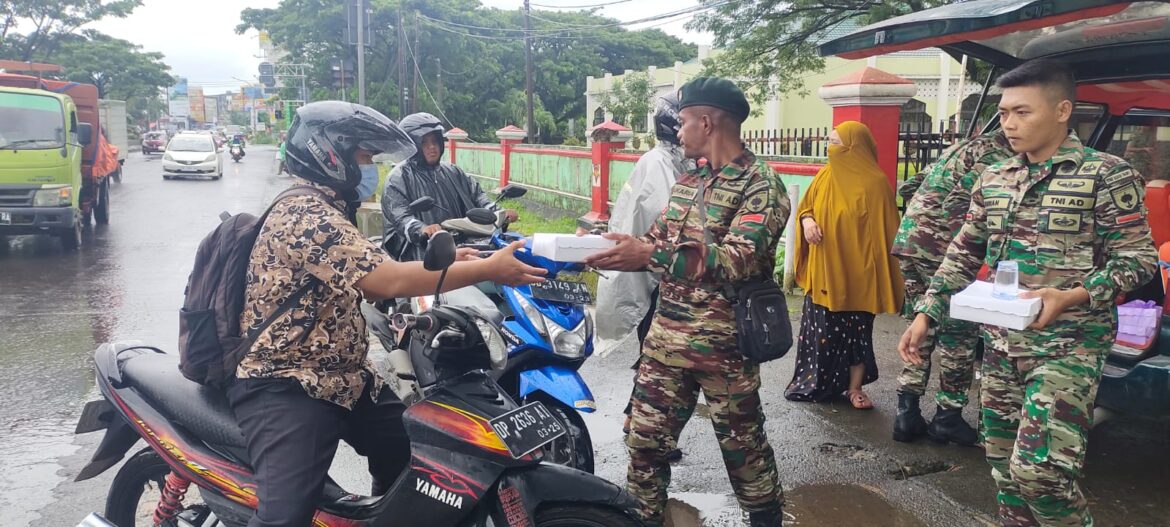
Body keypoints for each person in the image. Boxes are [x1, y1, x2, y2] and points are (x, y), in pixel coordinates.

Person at [228, 101, 546, 527]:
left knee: (407, 453)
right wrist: (489, 268)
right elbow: (388, 280)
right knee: (284, 518)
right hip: (288, 381)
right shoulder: (305, 214)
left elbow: (368, 262)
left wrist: (460, 259)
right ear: (329, 154)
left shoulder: (334, 209)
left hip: (345, 377)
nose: (369, 168)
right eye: (364, 158)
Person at [900, 59, 1157, 526]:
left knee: (1039, 473)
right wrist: (926, 315)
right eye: (1004, 113)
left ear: (1062, 110)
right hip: (1001, 345)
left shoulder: (1107, 175)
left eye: (1023, 112)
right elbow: (961, 254)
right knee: (1003, 471)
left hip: (1069, 348)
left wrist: (1072, 295)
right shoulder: (994, 178)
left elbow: (1138, 261)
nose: (1010, 124)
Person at [585, 76, 787, 527]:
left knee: (744, 452)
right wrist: (609, 248)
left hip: (724, 349)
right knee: (643, 446)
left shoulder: (762, 185)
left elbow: (738, 259)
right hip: (665, 343)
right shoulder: (687, 182)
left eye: (683, 122)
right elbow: (655, 245)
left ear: (707, 121)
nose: (677, 131)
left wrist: (650, 253)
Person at [891, 129, 1013, 445]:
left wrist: (922, 219)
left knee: (921, 324)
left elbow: (909, 187)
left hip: (909, 239)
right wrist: (975, 245)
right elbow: (957, 201)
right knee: (960, 330)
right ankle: (948, 417)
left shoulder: (963, 148)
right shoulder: (999, 156)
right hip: (941, 247)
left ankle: (907, 413)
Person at [590, 94, 691, 461]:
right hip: (655, 277)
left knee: (655, 354)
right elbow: (677, 223)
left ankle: (636, 419)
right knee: (657, 354)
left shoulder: (674, 161)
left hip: (659, 273)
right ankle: (642, 428)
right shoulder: (660, 163)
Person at [784, 121, 904, 409]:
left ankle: (854, 388)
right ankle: (816, 383)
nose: (830, 148)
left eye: (836, 142)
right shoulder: (826, 176)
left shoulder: (875, 185)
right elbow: (805, 208)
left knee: (857, 335)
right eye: (830, 141)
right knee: (822, 333)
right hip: (825, 271)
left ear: (853, 147)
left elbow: (887, 237)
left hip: (859, 276)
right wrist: (807, 220)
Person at [381, 112, 518, 261]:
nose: (432, 147)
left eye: (435, 141)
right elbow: (401, 217)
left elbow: (477, 195)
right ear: (412, 145)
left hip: (462, 245)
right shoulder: (398, 178)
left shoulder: (453, 171)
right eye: (424, 143)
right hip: (420, 255)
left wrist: (498, 212)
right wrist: (421, 229)